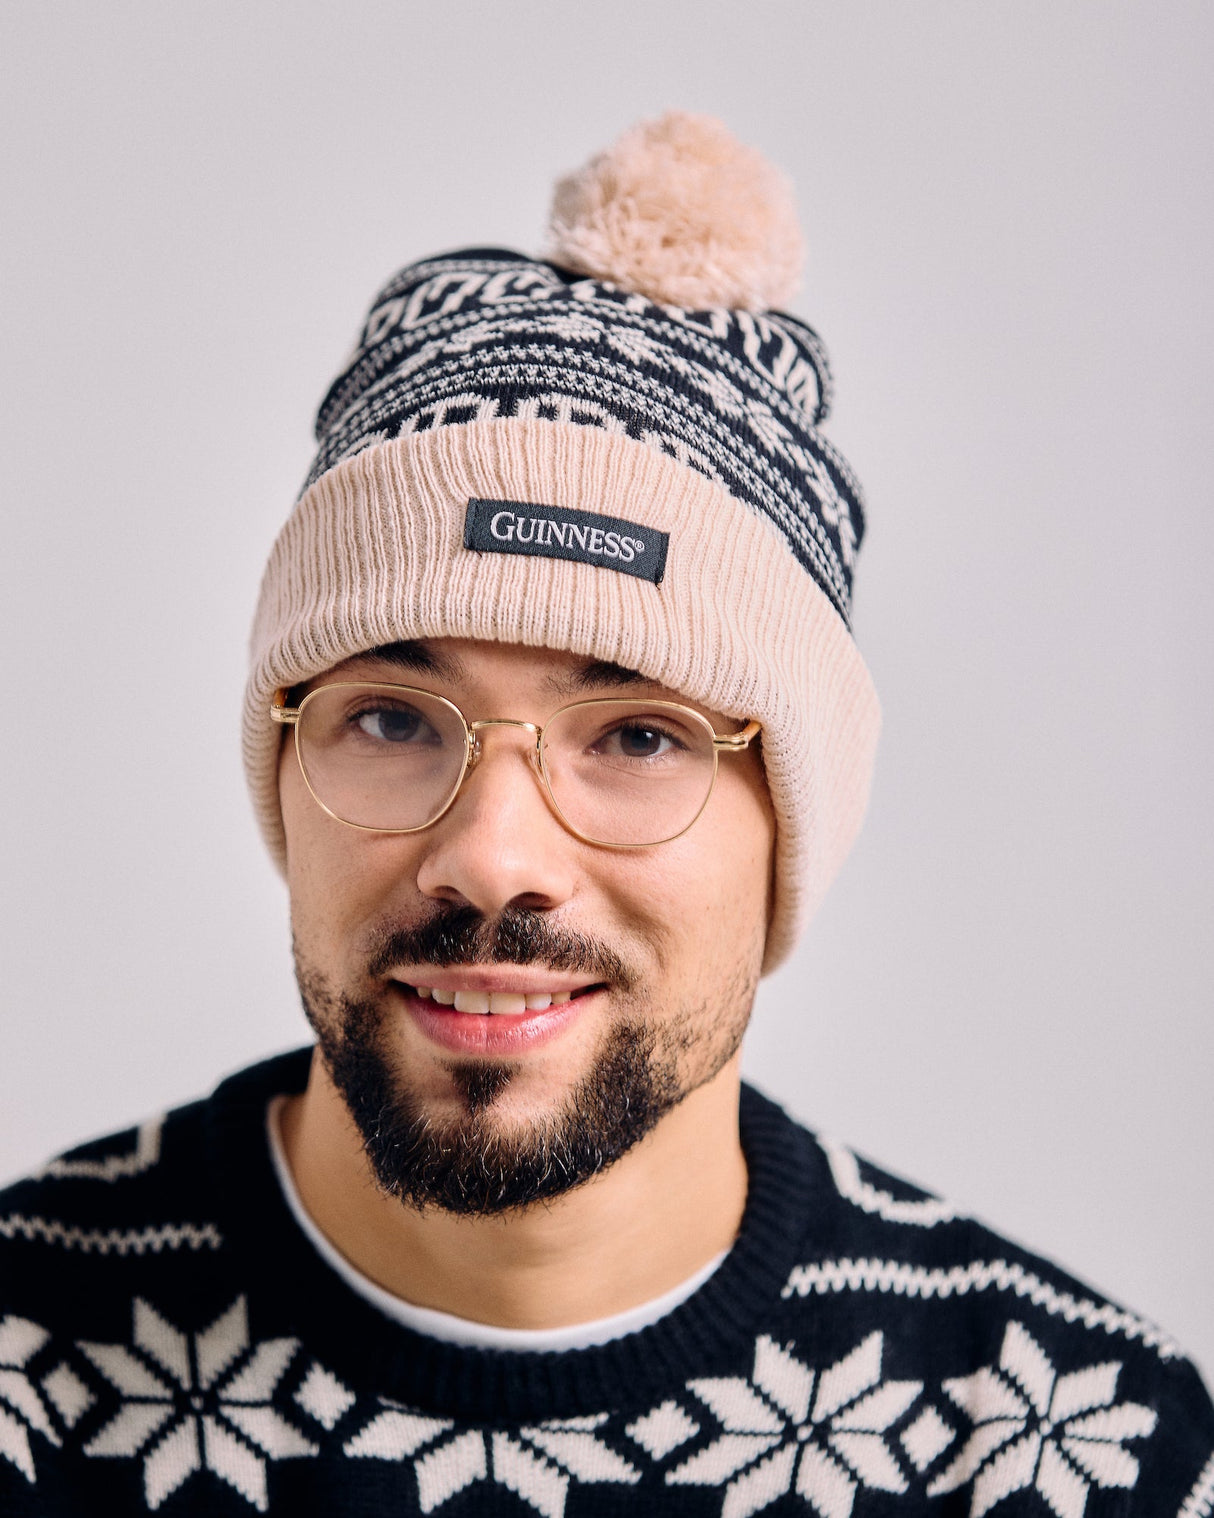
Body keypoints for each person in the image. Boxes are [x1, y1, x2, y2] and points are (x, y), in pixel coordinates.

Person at [0, 111, 1209, 1517]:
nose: (491, 855)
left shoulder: (1069, 1456)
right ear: (281, 768)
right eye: (391, 719)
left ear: (794, 825)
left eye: (638, 734)